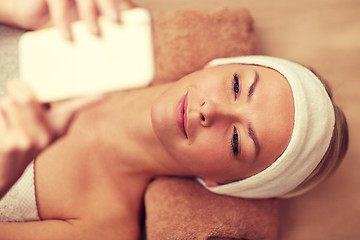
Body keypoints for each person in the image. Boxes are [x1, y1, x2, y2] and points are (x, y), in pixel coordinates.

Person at [0, 1, 349, 240]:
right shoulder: (106, 23)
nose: (210, 111)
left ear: (221, 182)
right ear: (220, 64)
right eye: (238, 85)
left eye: (237, 141)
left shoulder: (102, 227)